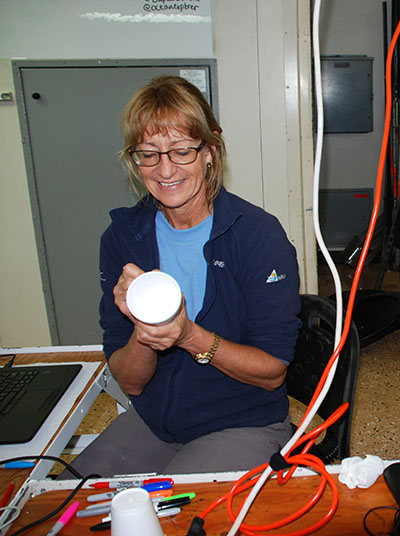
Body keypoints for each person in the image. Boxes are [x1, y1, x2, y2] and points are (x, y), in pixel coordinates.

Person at [68, 76, 301, 476]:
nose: (165, 170)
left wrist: (187, 335)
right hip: (155, 422)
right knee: (68, 502)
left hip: (242, 421)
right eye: (149, 154)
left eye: (180, 151)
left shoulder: (257, 236)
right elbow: (131, 382)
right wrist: (144, 332)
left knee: (178, 517)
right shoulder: (124, 239)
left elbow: (272, 372)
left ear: (210, 152)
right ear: (133, 159)